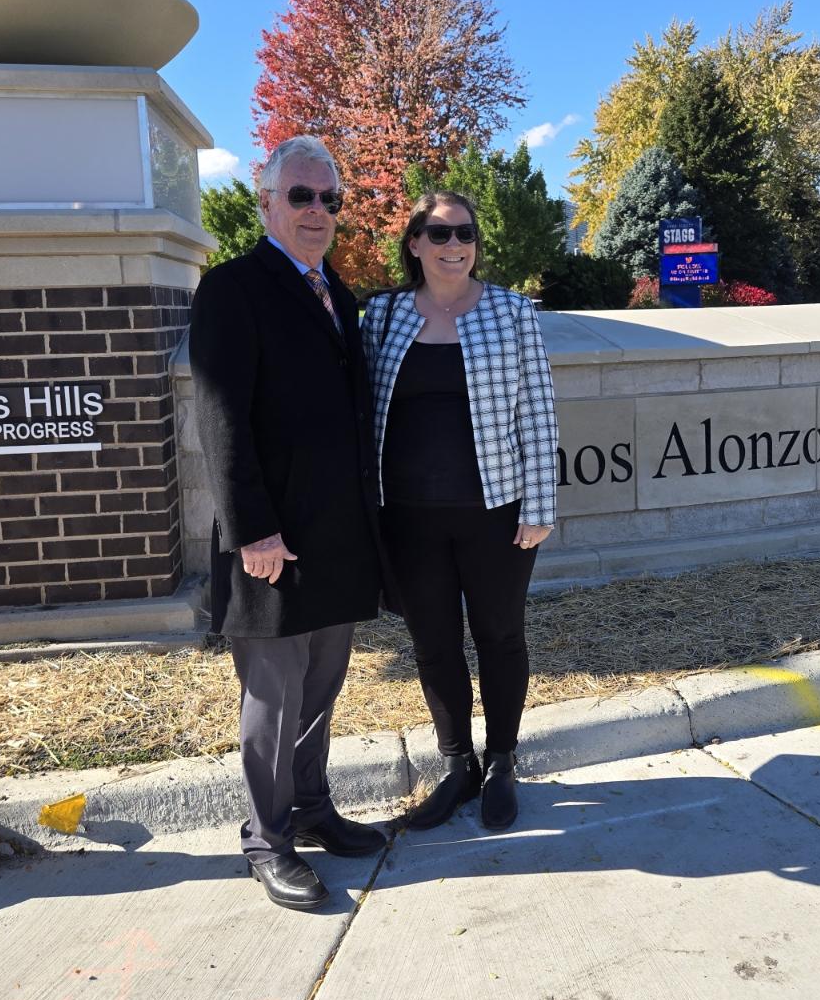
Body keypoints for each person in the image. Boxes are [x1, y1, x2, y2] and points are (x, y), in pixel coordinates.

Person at [188, 136, 388, 911]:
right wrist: (252, 532)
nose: (316, 211)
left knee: (321, 688)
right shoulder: (234, 289)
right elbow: (221, 417)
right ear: (267, 200)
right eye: (300, 196)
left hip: (337, 538)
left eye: (329, 199)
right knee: (272, 703)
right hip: (272, 542)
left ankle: (310, 807)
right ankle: (267, 841)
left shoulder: (340, 295)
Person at [361, 191, 559, 832]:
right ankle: (457, 767)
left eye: (464, 234)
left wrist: (540, 505)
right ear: (414, 242)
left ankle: (501, 761)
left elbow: (538, 411)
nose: (454, 247)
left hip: (495, 512)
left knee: (500, 637)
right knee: (433, 643)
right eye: (438, 234)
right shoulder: (384, 316)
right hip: (408, 516)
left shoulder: (511, 312)